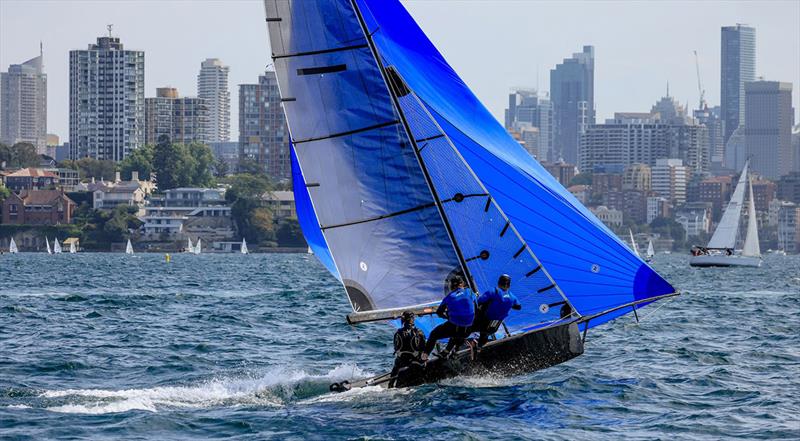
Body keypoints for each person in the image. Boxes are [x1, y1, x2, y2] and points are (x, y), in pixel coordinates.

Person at [423, 275, 476, 358]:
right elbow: (476, 303)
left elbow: (439, 312)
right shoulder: (469, 291)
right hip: (469, 329)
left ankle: (424, 357)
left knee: (434, 334)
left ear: (451, 286)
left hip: (456, 328)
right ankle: (447, 351)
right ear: (462, 284)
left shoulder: (449, 297)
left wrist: (447, 317)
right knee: (456, 330)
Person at [471, 274, 521, 347]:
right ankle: (479, 347)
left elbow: (478, 302)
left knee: (466, 328)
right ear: (509, 285)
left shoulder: (493, 291)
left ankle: (454, 347)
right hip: (493, 328)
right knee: (485, 334)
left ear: (498, 283)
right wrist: (506, 304)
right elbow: (518, 307)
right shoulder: (512, 297)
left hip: (482, 323)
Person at [388, 311, 426, 388]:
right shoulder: (418, 332)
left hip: (401, 361)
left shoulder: (398, 332)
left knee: (397, 362)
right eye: (413, 318)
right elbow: (424, 348)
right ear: (411, 319)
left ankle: (391, 384)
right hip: (414, 361)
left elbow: (396, 347)